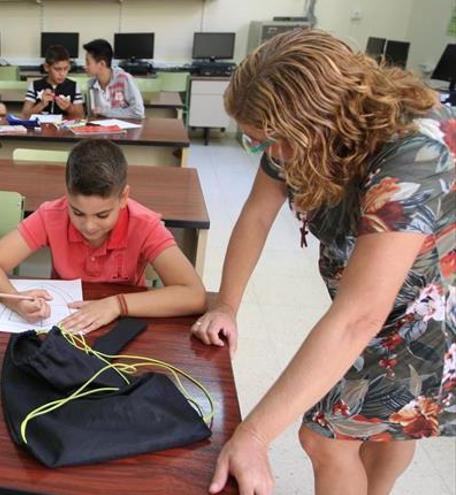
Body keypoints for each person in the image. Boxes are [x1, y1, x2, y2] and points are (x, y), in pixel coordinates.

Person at [190, 30, 455, 495]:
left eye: (275, 141)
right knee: (385, 417)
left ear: (319, 121)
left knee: (325, 436)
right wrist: (226, 305)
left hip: (431, 309)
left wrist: (253, 436)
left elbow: (358, 317)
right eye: (257, 142)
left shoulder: (413, 152)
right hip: (375, 299)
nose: (272, 156)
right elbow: (255, 216)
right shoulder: (298, 137)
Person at [0, 139, 206, 334]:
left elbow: (194, 294)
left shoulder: (143, 224)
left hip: (122, 325)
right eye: (77, 212)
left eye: (102, 215)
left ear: (123, 197)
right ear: (67, 194)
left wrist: (117, 304)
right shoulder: (52, 215)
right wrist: (15, 300)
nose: (89, 226)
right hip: (65, 326)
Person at [82, 39, 145, 119]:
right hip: (102, 129)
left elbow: (138, 112)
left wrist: (105, 111)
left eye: (88, 63)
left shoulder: (124, 79)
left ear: (102, 64)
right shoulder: (91, 84)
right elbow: (92, 115)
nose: (84, 66)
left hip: (126, 129)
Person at [22, 45, 84, 120]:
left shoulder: (73, 86)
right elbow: (25, 116)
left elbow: (80, 116)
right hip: (41, 129)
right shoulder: (35, 85)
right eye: (57, 69)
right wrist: (41, 104)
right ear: (46, 67)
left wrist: (69, 107)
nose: (62, 73)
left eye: (66, 68)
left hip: (64, 130)